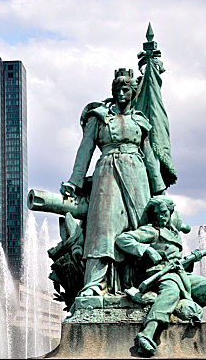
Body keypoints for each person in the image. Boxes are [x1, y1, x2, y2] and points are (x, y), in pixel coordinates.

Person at [60, 68, 168, 297]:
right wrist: (74, 181)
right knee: (102, 227)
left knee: (141, 228)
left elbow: (150, 157)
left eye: (125, 89)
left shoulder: (140, 120)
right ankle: (94, 284)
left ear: (133, 92)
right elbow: (84, 151)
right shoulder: (99, 117)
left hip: (138, 176)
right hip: (107, 173)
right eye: (116, 89)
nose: (120, 93)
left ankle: (145, 283)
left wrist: (159, 190)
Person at [115, 196, 206, 356]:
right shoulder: (151, 230)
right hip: (161, 276)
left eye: (164, 213)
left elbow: (178, 261)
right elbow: (122, 239)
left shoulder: (174, 233)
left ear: (170, 212)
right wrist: (147, 250)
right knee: (171, 291)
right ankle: (147, 333)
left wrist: (190, 260)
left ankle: (184, 307)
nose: (161, 217)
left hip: (182, 276)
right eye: (158, 214)